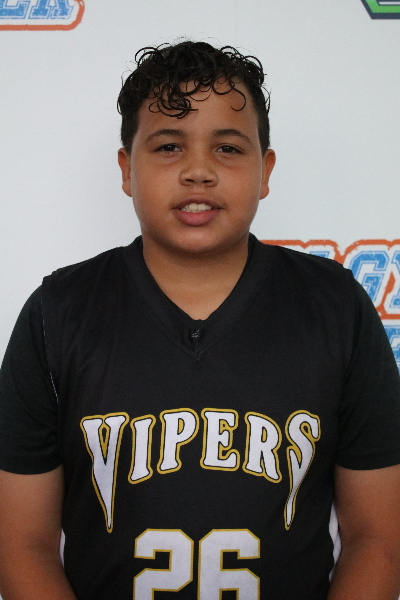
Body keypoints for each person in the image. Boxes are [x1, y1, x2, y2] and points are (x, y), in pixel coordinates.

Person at [0, 40, 400, 600]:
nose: (198, 172)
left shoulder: (337, 308)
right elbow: (21, 547)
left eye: (228, 148)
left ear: (265, 171)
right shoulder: (56, 315)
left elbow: (378, 541)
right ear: (126, 169)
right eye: (168, 146)